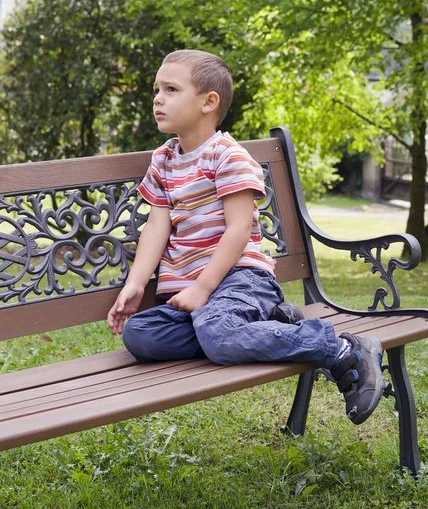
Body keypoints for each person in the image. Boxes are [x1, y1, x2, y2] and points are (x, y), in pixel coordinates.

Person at [107, 49, 384, 425]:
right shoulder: (164, 160)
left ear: (209, 102)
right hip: (197, 296)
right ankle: (265, 325)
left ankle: (341, 350)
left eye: (171, 89)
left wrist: (203, 288)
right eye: (157, 89)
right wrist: (136, 283)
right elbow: (157, 225)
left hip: (239, 278)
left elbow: (238, 230)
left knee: (218, 336)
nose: (157, 98)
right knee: (140, 335)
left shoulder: (227, 156)